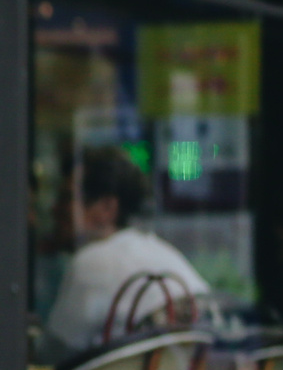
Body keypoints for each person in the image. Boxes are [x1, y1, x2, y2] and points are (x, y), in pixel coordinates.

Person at [40, 144, 209, 357]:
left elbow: (52, 354)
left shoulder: (93, 259)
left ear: (108, 208)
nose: (54, 208)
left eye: (66, 198)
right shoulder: (161, 250)